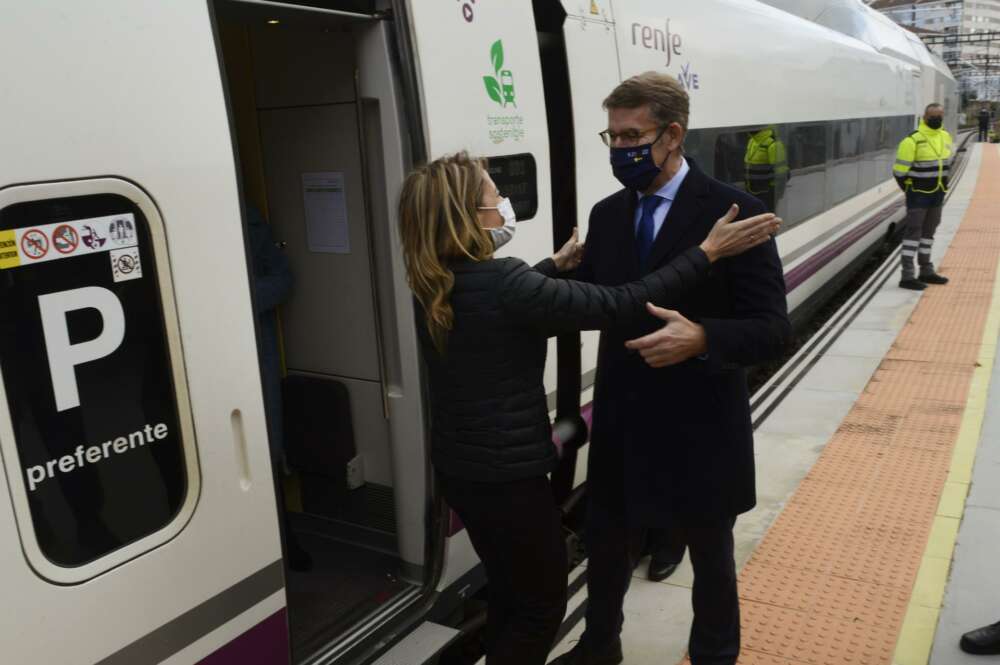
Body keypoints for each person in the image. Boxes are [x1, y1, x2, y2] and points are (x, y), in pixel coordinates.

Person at [398, 152, 780, 665]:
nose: (503, 207)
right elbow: (622, 303)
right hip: (511, 475)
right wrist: (705, 252)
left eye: (631, 136)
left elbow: (490, 305)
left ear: (672, 135)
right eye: (494, 199)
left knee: (512, 592)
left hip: (463, 470)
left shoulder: (433, 281)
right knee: (540, 605)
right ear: (468, 216)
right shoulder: (521, 272)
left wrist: (551, 268)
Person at [550, 72, 791, 665]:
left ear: (674, 134)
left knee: (711, 556)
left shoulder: (736, 211)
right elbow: (602, 298)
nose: (620, 149)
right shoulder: (608, 215)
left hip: (701, 423)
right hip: (624, 417)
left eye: (632, 135)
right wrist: (548, 277)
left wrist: (704, 337)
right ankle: (598, 646)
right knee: (607, 547)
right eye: (612, 136)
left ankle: (714, 655)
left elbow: (773, 328)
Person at [245, 202, 311, 571]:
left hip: (255, 352)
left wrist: (234, 298)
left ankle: (284, 541)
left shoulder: (249, 219)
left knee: (266, 450)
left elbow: (283, 279)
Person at [892, 103, 953, 291]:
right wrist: (910, 190)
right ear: (925, 116)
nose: (937, 119)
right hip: (918, 195)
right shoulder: (912, 141)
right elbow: (899, 172)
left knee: (928, 235)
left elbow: (947, 162)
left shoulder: (945, 136)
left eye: (940, 115)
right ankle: (907, 276)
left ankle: (926, 271)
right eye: (933, 115)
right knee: (913, 235)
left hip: (938, 192)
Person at [743, 125, 788, 213]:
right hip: (751, 189)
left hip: (767, 192)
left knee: (767, 220)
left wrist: (775, 192)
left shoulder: (774, 144)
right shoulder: (752, 141)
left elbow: (781, 173)